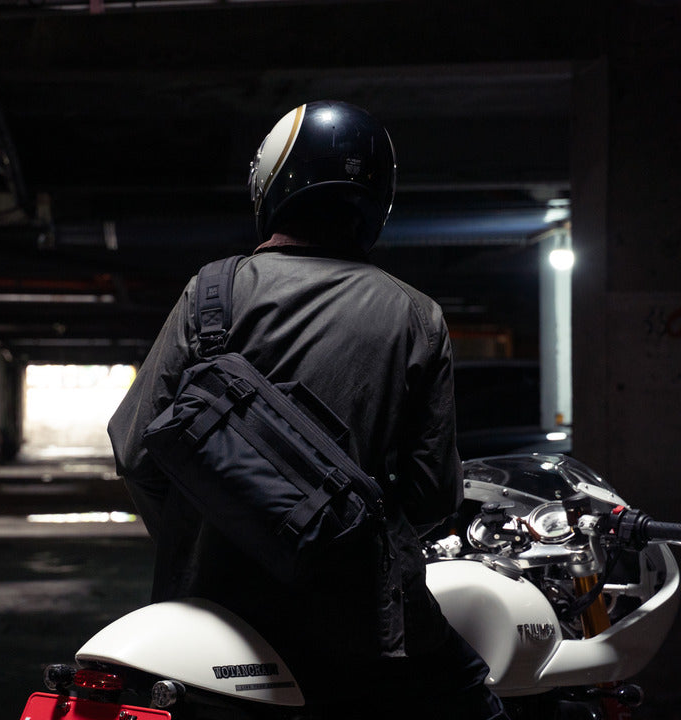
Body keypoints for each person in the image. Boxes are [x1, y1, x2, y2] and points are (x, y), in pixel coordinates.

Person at [107, 101, 507, 718]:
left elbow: (136, 452)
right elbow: (431, 495)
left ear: (270, 185)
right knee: (473, 693)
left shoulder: (212, 292)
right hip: (357, 632)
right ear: (377, 201)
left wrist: (214, 530)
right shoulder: (416, 315)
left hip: (208, 623)